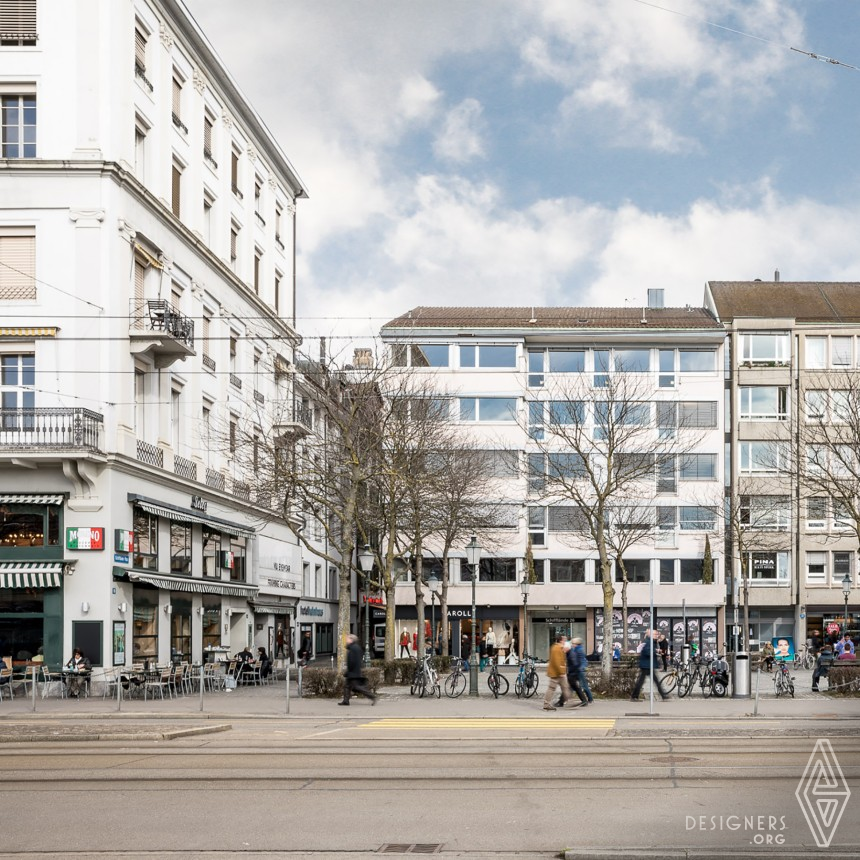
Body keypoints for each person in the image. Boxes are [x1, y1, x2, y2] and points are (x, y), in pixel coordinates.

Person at [338, 633, 376, 706]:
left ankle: (372, 696)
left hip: (353, 672)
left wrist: (349, 671)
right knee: (347, 686)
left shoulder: (353, 648)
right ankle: (345, 701)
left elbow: (352, 661)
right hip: (354, 671)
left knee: (357, 687)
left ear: (351, 640)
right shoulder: (356, 647)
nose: (346, 640)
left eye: (348, 639)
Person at [631, 631, 669, 702]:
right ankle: (663, 696)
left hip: (648, 664)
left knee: (645, 681)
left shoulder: (651, 641)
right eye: (655, 634)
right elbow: (647, 652)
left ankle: (634, 696)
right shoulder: (649, 642)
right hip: (647, 665)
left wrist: (655, 650)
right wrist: (656, 651)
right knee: (648, 681)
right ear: (651, 635)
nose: (657, 635)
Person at [543, 635, 574, 711]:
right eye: (565, 639)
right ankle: (546, 704)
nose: (566, 641)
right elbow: (557, 662)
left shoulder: (558, 647)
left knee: (565, 687)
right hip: (557, 673)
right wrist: (561, 672)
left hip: (558, 672)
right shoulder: (557, 648)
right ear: (561, 640)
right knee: (553, 688)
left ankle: (569, 702)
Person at [563, 639, 587, 707]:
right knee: (572, 687)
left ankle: (562, 701)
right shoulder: (569, 653)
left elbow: (575, 664)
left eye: (564, 648)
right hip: (573, 673)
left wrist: (571, 672)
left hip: (573, 673)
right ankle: (584, 700)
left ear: (567, 647)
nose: (563, 649)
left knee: (573, 687)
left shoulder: (571, 654)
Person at [571, 637, 593, 704]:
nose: (572, 644)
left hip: (580, 670)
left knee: (583, 685)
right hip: (577, 669)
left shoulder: (579, 650)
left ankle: (590, 698)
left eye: (573, 643)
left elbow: (582, 660)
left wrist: (581, 668)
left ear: (577, 644)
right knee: (573, 685)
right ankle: (565, 698)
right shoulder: (576, 649)